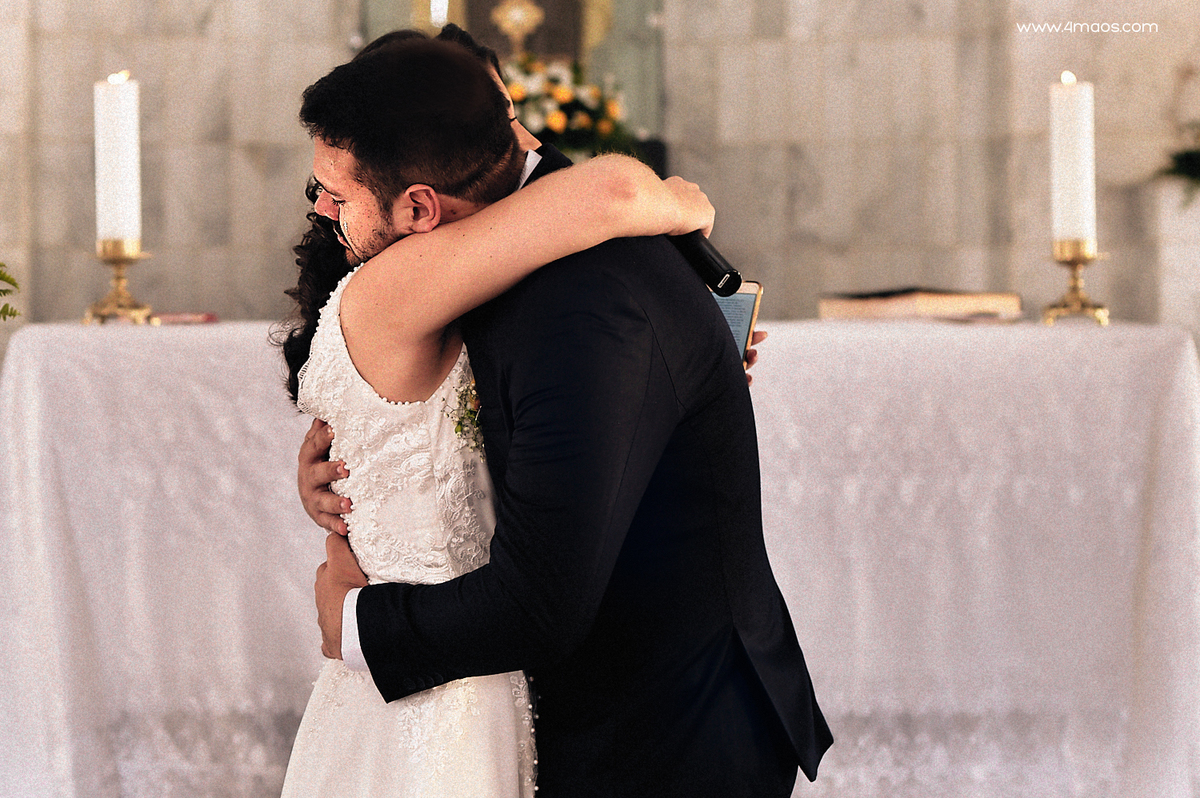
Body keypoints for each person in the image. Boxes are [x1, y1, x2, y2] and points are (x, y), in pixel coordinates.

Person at [276, 36, 718, 797]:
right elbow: (610, 190)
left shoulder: (430, 277)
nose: (319, 211)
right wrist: (683, 201)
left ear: (418, 205)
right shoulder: (396, 288)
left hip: (484, 661)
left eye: (336, 195)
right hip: (451, 660)